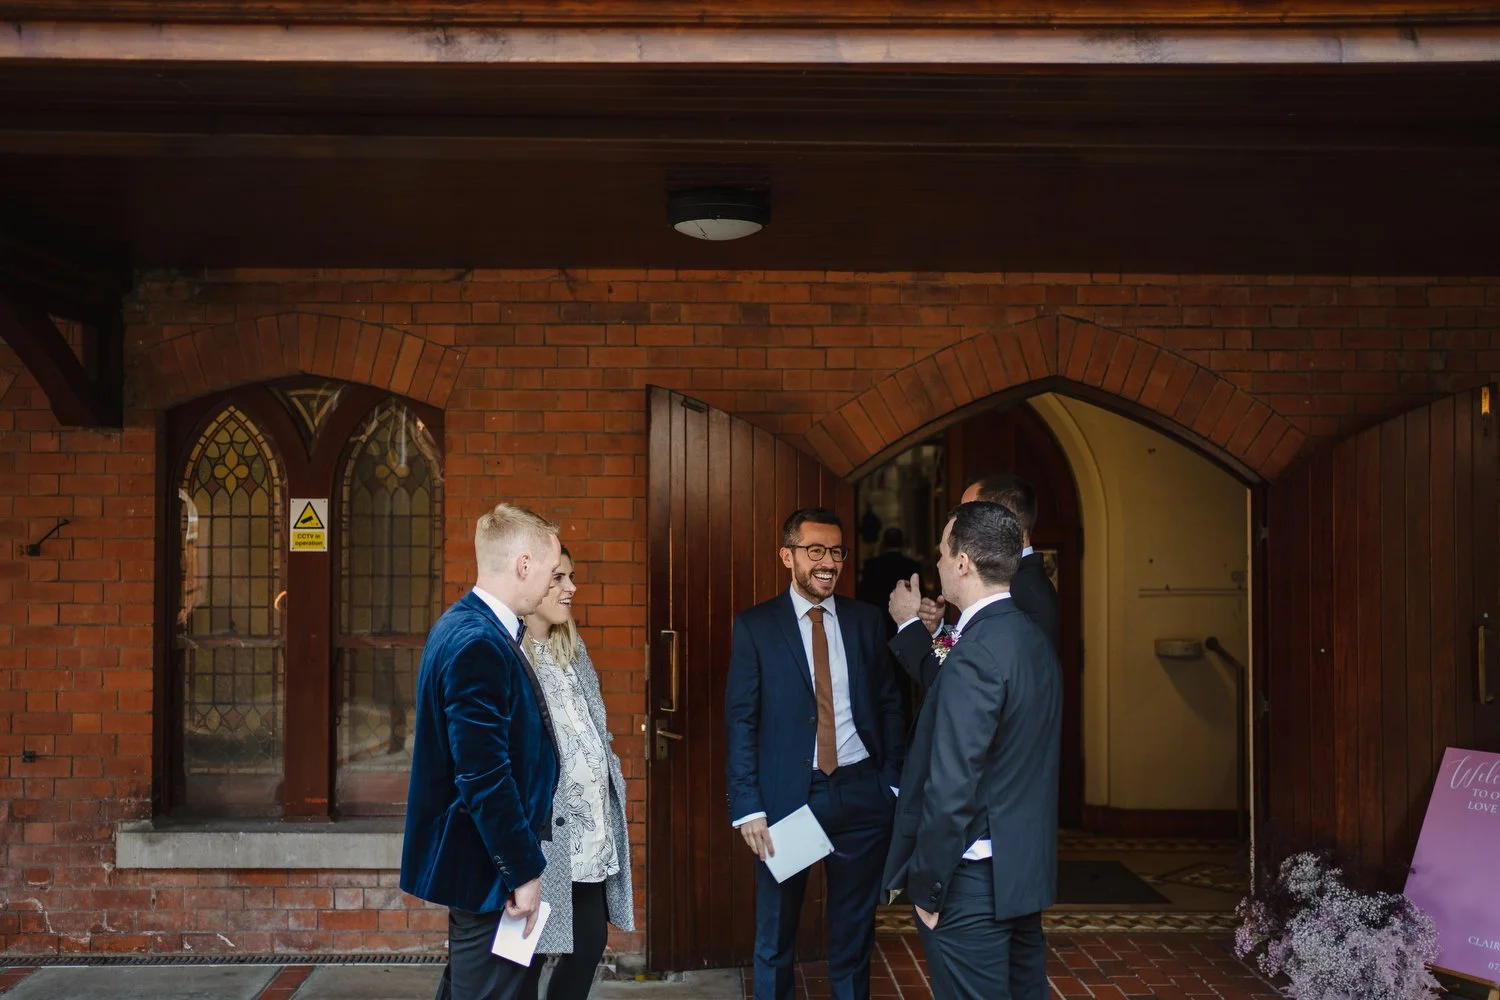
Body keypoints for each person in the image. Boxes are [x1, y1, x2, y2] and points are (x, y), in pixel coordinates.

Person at [724, 507, 906, 1000]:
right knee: (776, 937)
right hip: (790, 799)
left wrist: (889, 782)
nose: (828, 562)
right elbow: (741, 720)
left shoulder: (866, 621)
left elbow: (891, 703)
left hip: (861, 797)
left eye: (837, 552)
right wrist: (748, 806)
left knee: (853, 937)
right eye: (815, 551)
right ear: (788, 556)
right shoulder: (757, 626)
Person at [883, 502, 1061, 1000]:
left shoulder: (978, 652)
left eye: (942, 552)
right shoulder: (1029, 637)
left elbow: (952, 782)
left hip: (972, 883)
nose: (937, 563)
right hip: (1021, 874)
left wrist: (930, 888)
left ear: (963, 562)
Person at [401, 503, 563, 1000]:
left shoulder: (465, 624)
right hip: (487, 872)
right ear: (524, 565)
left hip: (481, 866)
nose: (554, 582)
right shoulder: (478, 642)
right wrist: (523, 871)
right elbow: (483, 776)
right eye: (552, 570)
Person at [522, 548, 635, 1000]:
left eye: (572, 576)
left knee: (588, 943)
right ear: (530, 583)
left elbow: (593, 729)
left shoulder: (572, 646)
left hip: (588, 835)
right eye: (559, 578)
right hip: (543, 837)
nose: (571, 588)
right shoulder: (510, 653)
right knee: (523, 957)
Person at [889, 472, 1059, 688]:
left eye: (967, 513)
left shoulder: (1024, 593)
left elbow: (953, 681)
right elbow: (962, 647)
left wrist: (907, 622)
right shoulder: (1008, 579)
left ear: (1001, 520)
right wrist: (938, 631)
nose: (956, 523)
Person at [855, 527, 922, 622]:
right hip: (906, 620)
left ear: (883, 543)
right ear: (902, 543)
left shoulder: (871, 565)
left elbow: (863, 594)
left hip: (875, 618)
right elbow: (920, 594)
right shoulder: (912, 565)